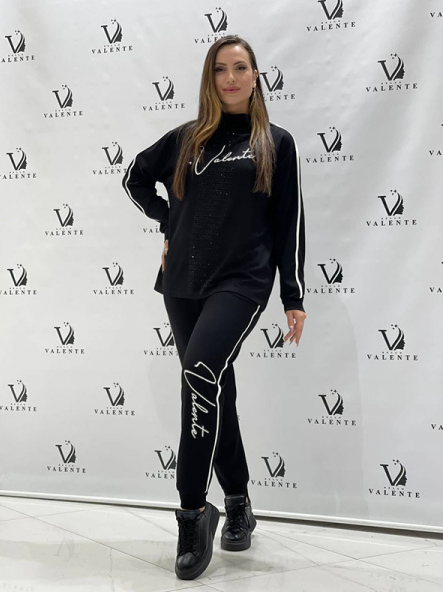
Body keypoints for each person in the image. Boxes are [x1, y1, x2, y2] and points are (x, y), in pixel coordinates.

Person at [122, 34, 306, 581]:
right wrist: (168, 222)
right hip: (182, 283)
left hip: (242, 281)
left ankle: (192, 513)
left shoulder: (276, 143)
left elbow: (290, 221)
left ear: (255, 76)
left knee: (199, 374)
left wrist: (292, 294)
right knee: (213, 387)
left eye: (240, 68)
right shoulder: (186, 138)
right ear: (210, 78)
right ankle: (240, 500)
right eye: (221, 69)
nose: (230, 78)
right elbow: (135, 176)